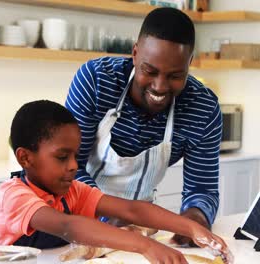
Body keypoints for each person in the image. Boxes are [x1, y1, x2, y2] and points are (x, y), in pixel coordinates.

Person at [0, 100, 232, 264]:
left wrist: (191, 227)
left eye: (76, 156)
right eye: (62, 157)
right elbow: (69, 227)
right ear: (25, 157)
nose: (74, 166)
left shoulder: (73, 191)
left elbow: (132, 209)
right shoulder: (15, 195)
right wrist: (145, 245)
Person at [65, 7, 222, 245]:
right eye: (150, 71)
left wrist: (194, 218)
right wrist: (109, 213)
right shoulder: (96, 80)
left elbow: (202, 189)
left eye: (175, 76)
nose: (160, 86)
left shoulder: (203, 109)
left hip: (139, 229)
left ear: (190, 63)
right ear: (135, 53)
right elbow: (69, 168)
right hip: (77, 221)